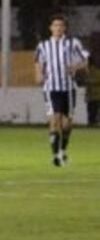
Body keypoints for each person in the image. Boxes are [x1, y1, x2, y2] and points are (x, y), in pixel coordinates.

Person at [34, 14, 89, 167]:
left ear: (64, 28)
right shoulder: (43, 46)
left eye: (61, 25)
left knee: (66, 124)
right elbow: (38, 62)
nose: (58, 28)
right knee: (54, 119)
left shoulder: (73, 43)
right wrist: (38, 75)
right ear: (50, 28)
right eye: (55, 25)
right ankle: (55, 156)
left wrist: (75, 67)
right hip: (51, 88)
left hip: (69, 88)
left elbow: (85, 60)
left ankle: (63, 150)